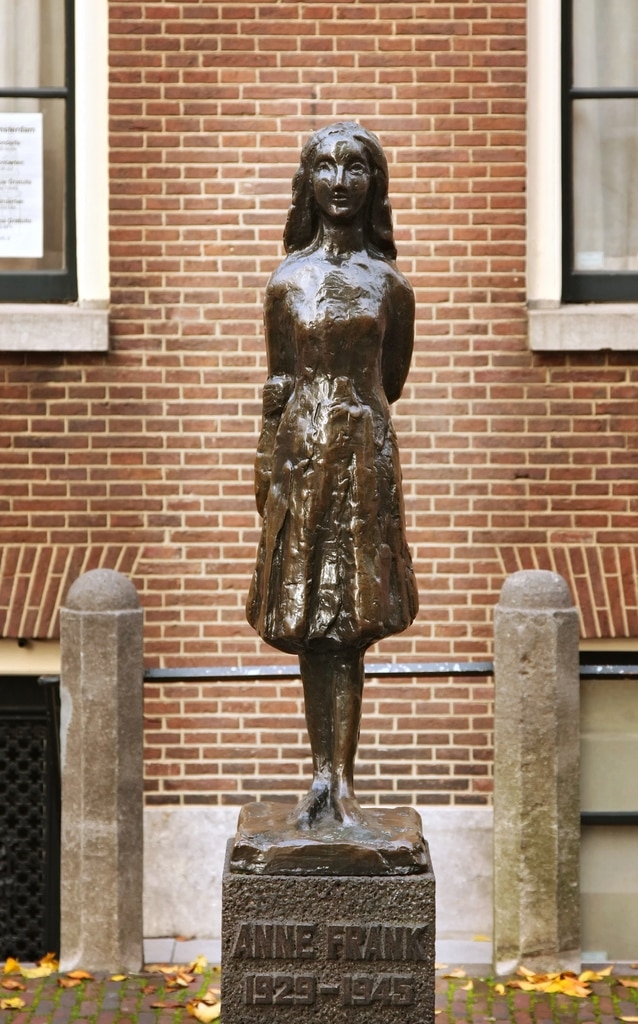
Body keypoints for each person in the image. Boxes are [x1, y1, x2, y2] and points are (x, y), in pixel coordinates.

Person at [246, 122, 418, 830]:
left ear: (374, 184)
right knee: (313, 622)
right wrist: (267, 472)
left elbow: (393, 379)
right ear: (307, 183)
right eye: (326, 167)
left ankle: (340, 783)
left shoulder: (390, 285)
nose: (341, 181)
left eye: (356, 168)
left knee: (351, 623)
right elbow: (279, 382)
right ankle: (320, 777)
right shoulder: (288, 284)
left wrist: (354, 433)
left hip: (364, 458)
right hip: (302, 456)